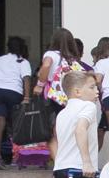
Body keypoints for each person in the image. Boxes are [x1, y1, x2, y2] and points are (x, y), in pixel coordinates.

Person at [51, 71, 101, 178]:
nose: (97, 91)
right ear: (77, 92)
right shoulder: (88, 106)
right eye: (92, 87)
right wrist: (86, 162)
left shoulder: (63, 113)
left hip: (62, 169)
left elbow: (60, 141)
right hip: (79, 169)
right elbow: (80, 129)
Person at [33, 28, 91, 163]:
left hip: (54, 99)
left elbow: (46, 65)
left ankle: (59, 165)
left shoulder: (51, 54)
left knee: (52, 133)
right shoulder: (72, 59)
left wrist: (40, 84)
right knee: (68, 132)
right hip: (71, 99)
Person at [0, 36, 33, 167]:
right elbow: (26, 79)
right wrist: (27, 97)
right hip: (14, 93)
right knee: (15, 127)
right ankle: (15, 157)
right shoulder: (23, 62)